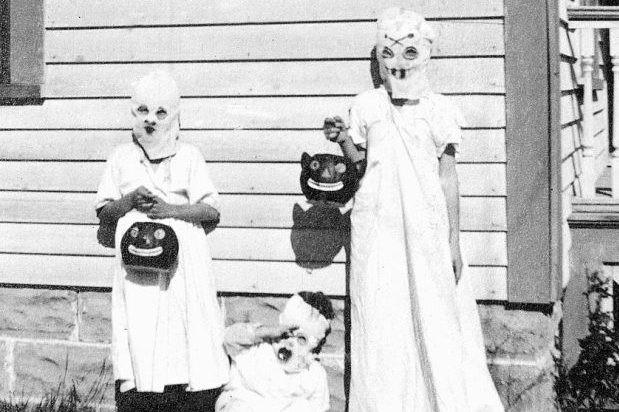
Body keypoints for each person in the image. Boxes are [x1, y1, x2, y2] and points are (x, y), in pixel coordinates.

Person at [323, 8, 505, 411]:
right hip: (378, 228)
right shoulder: (368, 105)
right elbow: (359, 166)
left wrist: (453, 241)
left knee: (435, 311)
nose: (397, 64)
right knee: (383, 317)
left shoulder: (438, 110)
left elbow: (448, 178)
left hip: (425, 228)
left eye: (408, 53)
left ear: (424, 55)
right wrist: (342, 140)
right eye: (388, 54)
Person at [95, 71, 229, 412]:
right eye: (143, 111)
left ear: (173, 115)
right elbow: (105, 213)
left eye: (160, 113)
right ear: (133, 114)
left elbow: (210, 211)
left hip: (183, 265)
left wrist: (169, 209)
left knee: (183, 332)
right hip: (137, 268)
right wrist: (130, 202)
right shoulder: (122, 157)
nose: (151, 121)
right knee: (142, 335)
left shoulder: (189, 156)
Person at [215, 292, 334, 412]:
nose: (290, 342)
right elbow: (229, 338)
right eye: (286, 334)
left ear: (313, 352)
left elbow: (318, 406)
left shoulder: (313, 374)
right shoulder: (259, 349)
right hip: (245, 403)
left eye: (301, 339)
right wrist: (264, 332)